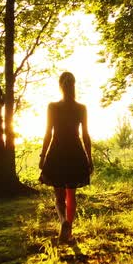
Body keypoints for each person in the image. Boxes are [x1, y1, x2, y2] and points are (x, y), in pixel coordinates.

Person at [39, 71, 93, 243]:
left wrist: (43, 155)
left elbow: (48, 133)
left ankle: (63, 222)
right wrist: (89, 158)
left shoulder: (53, 107)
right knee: (72, 195)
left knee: (59, 197)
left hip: (57, 152)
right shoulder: (81, 108)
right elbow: (85, 135)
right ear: (73, 85)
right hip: (75, 153)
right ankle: (69, 228)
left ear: (60, 86)